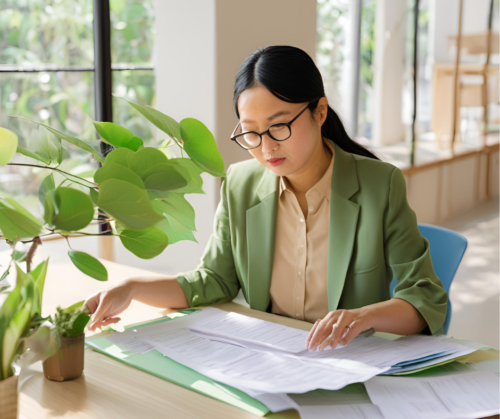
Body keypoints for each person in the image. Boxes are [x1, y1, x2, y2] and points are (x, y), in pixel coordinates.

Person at [84, 45, 447, 352]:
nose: (267, 146)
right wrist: (131, 288)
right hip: (271, 356)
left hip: (350, 361)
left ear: (319, 112)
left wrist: (362, 317)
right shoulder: (241, 184)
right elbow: (214, 280)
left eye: (279, 126)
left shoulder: (379, 185)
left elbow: (425, 298)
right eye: (251, 132)